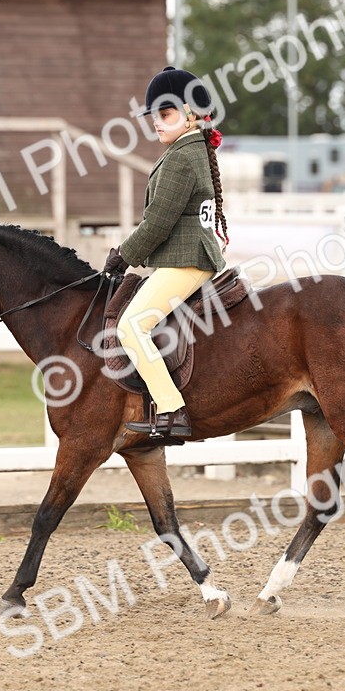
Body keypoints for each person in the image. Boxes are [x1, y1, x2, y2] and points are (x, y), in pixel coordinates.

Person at [103, 66, 229, 442]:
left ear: (191, 114)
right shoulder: (191, 149)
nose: (157, 123)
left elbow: (157, 223)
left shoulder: (181, 157)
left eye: (166, 114)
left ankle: (172, 409)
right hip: (186, 257)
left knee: (131, 325)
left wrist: (123, 256)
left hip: (187, 261)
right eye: (154, 116)